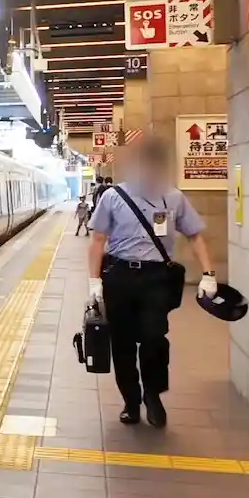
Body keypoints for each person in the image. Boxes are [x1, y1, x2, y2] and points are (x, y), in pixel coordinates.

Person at [85, 138, 217, 427]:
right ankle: (131, 402)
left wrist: (209, 275)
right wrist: (94, 281)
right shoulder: (113, 196)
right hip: (119, 276)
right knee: (121, 342)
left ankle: (153, 396)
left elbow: (195, 235)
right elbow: (97, 240)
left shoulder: (174, 198)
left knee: (154, 339)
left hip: (157, 278)